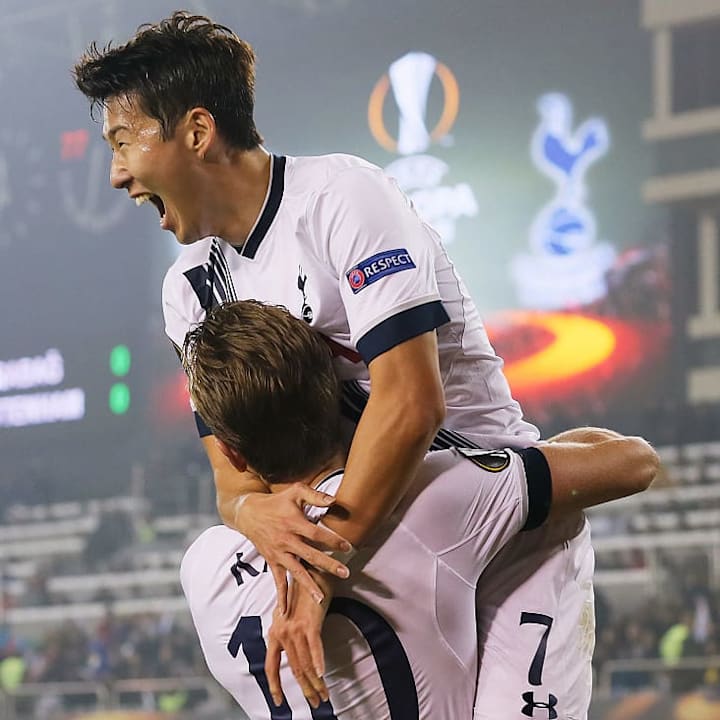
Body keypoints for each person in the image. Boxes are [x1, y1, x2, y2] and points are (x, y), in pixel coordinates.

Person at [74, 12, 602, 717]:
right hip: (378, 545)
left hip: (497, 527)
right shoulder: (188, 290)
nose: (115, 175)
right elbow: (233, 481)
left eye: (122, 142)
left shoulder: (342, 201)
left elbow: (413, 404)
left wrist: (321, 570)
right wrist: (253, 514)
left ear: (196, 133)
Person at [180, 300, 659, 719]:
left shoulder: (204, 570)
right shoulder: (426, 500)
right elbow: (634, 463)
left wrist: (243, 506)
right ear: (342, 400)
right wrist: (514, 459)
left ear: (232, 453)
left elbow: (234, 499)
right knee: (553, 524)